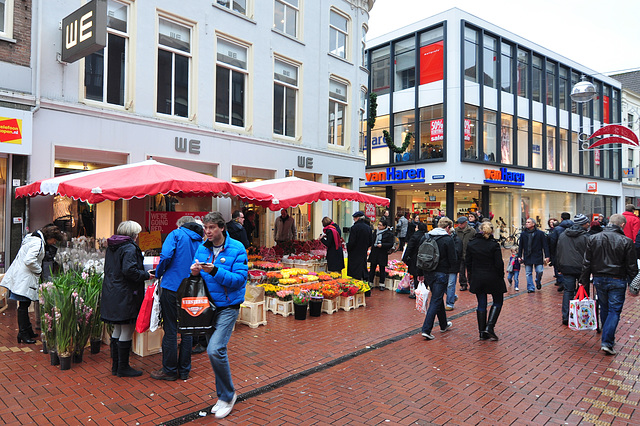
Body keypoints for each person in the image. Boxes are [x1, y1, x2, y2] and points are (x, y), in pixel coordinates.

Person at [191, 212, 248, 419]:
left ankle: (228, 395)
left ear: (222, 228)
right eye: (205, 227)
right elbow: (195, 276)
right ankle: (222, 395)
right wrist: (194, 272)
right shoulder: (202, 247)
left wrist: (215, 271)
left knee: (215, 350)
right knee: (215, 354)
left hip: (228, 307)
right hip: (207, 307)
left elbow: (240, 280)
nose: (207, 231)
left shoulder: (237, 249)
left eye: (211, 227)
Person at [150, 216, 204, 381]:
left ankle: (170, 370)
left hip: (172, 286)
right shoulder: (201, 241)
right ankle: (184, 370)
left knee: (171, 329)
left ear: (181, 225)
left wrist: (159, 272)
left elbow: (165, 256)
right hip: (191, 288)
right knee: (187, 330)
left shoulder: (176, 234)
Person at [580, 214, 638, 356]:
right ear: (622, 225)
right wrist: (634, 285)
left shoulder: (593, 238)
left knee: (605, 308)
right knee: (614, 310)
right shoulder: (626, 241)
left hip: (599, 278)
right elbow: (631, 266)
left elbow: (586, 262)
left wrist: (584, 281)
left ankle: (608, 338)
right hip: (618, 279)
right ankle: (607, 341)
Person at [101, 221, 152, 377]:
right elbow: (129, 270)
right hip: (126, 293)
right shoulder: (129, 248)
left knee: (117, 327)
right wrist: (146, 275)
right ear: (132, 234)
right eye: (137, 233)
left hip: (112, 292)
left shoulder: (112, 246)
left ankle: (116, 366)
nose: (138, 236)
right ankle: (123, 367)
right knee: (127, 328)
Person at [2, 224, 63, 344]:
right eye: (54, 240)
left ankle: (27, 331)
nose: (53, 243)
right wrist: (38, 270)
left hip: (22, 276)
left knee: (24, 304)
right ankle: (23, 333)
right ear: (49, 237)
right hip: (24, 278)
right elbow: (29, 260)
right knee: (23, 305)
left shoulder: (32, 238)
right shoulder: (37, 243)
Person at [466, 221, 506, 340]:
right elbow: (499, 263)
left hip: (478, 276)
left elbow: (468, 262)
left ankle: (482, 332)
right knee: (498, 301)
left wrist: (470, 277)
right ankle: (490, 326)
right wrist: (501, 275)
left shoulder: (472, 244)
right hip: (493, 276)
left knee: (481, 303)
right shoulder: (494, 244)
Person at [421, 217, 457, 340]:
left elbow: (420, 255)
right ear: (447, 227)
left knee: (437, 296)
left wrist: (420, 272)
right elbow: (453, 258)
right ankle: (426, 329)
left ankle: (443, 324)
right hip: (441, 272)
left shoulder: (427, 236)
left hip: (428, 271)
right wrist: (454, 271)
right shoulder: (447, 239)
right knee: (436, 300)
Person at [556, 214, 591, 326]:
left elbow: (558, 251)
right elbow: (589, 254)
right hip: (582, 268)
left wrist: (559, 267)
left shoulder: (563, 235)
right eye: (587, 222)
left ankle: (566, 316)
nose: (588, 224)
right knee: (583, 291)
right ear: (583, 224)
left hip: (567, 266)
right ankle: (582, 316)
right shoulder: (586, 236)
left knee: (568, 291)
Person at [518, 218, 550, 293]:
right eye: (526, 222)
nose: (527, 223)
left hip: (537, 255)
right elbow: (520, 246)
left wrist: (547, 256)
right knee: (528, 273)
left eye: (529, 222)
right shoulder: (523, 234)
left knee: (539, 271)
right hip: (527, 255)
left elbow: (545, 245)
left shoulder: (540, 233)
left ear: (533, 224)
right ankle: (530, 287)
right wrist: (519, 256)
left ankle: (537, 280)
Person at [402, 222, 428, 299]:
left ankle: (417, 292)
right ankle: (425, 289)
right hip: (426, 259)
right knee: (424, 275)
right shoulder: (427, 236)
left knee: (416, 275)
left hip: (415, 258)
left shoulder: (414, 236)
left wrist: (405, 258)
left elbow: (409, 248)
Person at [548, 212, 573, 292]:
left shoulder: (557, 229)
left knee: (558, 266)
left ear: (561, 219)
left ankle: (561, 281)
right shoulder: (574, 227)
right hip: (571, 251)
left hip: (559, 251)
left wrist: (552, 253)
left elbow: (552, 242)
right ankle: (569, 283)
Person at [368, 219, 395, 291]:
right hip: (374, 252)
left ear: (384, 226)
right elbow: (371, 240)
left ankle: (381, 284)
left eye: (380, 225)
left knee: (382, 268)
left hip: (382, 253)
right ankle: (370, 282)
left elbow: (390, 244)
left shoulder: (389, 234)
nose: (378, 226)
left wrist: (382, 245)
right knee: (372, 268)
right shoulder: (375, 232)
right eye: (378, 224)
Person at [346, 211, 372, 283]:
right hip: (363, 251)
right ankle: (366, 287)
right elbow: (370, 241)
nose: (353, 219)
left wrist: (348, 247)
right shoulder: (368, 228)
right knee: (363, 267)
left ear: (357, 218)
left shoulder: (354, 228)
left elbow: (352, 241)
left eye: (354, 218)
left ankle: (357, 286)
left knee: (355, 271)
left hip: (354, 252)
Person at [455, 216, 475, 291]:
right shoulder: (456, 231)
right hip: (460, 254)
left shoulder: (472, 231)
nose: (459, 225)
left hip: (469, 254)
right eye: (459, 224)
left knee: (470, 270)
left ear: (466, 223)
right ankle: (463, 284)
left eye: (461, 224)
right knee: (461, 271)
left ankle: (471, 283)